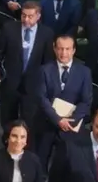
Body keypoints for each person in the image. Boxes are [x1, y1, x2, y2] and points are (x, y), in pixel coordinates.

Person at [0, 0, 55, 132]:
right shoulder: (9, 28)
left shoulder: (47, 34)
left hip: (33, 85)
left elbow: (48, 61)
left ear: (38, 16)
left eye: (30, 16)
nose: (26, 19)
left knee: (29, 119)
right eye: (23, 15)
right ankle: (7, 141)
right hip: (10, 82)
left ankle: (25, 146)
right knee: (7, 117)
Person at [36, 35, 93, 171]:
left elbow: (86, 101)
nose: (64, 53)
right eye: (60, 49)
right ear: (55, 49)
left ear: (73, 50)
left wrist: (70, 121)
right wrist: (58, 120)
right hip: (48, 121)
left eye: (67, 49)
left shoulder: (84, 72)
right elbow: (41, 98)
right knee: (40, 159)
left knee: (67, 163)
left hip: (71, 125)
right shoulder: (45, 70)